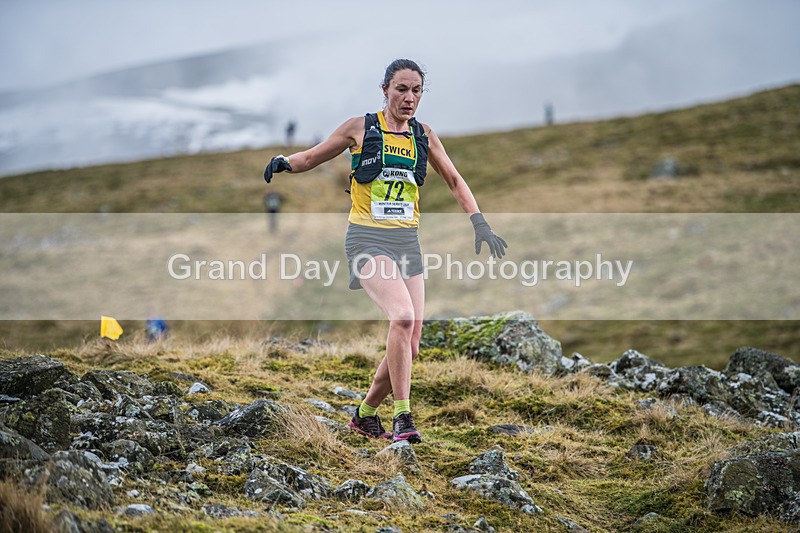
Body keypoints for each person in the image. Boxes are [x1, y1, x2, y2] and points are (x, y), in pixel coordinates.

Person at [263, 59, 506, 444]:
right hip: (366, 240)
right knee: (403, 317)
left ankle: (364, 415)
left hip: (407, 242)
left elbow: (456, 180)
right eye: (401, 90)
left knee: (410, 344)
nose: (409, 98)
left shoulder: (424, 135)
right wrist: (284, 163)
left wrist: (480, 223)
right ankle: (403, 418)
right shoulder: (360, 128)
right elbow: (313, 156)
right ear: (385, 90)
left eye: (416, 91)